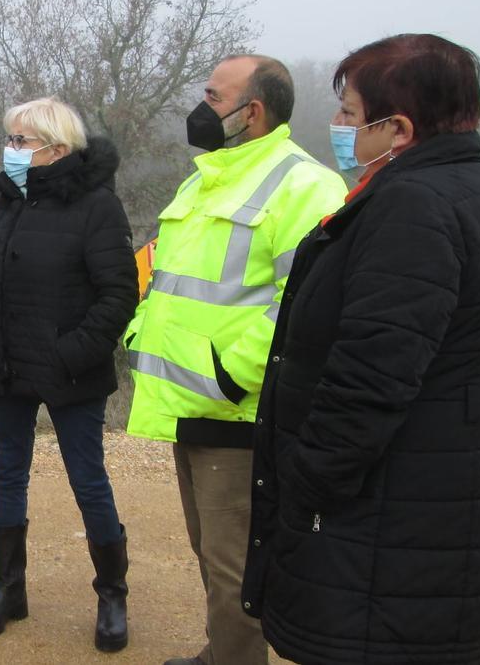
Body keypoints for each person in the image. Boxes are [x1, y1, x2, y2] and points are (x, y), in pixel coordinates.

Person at [242, 34, 480, 665]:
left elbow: (371, 375)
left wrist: (305, 480)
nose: (338, 126)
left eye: (348, 113)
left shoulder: (412, 207)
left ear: (397, 128)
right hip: (426, 504)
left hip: (385, 522)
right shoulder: (466, 187)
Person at [123, 55, 347, 665]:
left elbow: (302, 305)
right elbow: (167, 276)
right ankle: (221, 653)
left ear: (252, 111)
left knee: (235, 565)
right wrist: (140, 334)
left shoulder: (306, 185)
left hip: (237, 414)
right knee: (211, 551)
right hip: (188, 403)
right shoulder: (203, 179)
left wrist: (230, 375)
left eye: (213, 96)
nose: (200, 108)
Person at [0, 97, 139, 652]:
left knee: (88, 481)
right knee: (7, 475)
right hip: (6, 364)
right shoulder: (6, 200)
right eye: (9, 139)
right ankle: (8, 590)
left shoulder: (97, 206)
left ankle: (112, 595)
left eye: (20, 142)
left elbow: (119, 294)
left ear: (56, 149)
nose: (9, 151)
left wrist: (70, 354)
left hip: (70, 372)